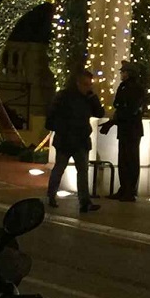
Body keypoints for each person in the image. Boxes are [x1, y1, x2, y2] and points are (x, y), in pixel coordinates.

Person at [45, 68, 104, 213]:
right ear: (78, 83)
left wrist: (93, 98)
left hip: (80, 139)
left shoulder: (87, 98)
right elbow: (51, 116)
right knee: (60, 168)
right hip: (66, 139)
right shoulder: (64, 96)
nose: (88, 87)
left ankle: (84, 202)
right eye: (86, 84)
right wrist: (62, 128)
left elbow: (99, 113)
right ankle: (51, 196)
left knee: (82, 171)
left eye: (90, 84)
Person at [100, 60, 144, 202]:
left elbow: (129, 109)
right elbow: (119, 105)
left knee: (130, 160)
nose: (121, 74)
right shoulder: (124, 87)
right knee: (124, 160)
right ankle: (124, 188)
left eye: (123, 72)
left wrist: (114, 121)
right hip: (126, 128)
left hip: (131, 129)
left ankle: (129, 190)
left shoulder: (135, 88)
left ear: (129, 73)